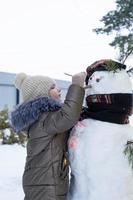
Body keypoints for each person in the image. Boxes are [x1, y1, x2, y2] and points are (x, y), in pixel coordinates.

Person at [10, 72, 86, 200]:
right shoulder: (44, 119)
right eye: (52, 87)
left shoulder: (44, 118)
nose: (58, 89)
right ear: (41, 95)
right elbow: (68, 116)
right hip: (45, 185)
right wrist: (77, 86)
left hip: (43, 181)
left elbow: (67, 119)